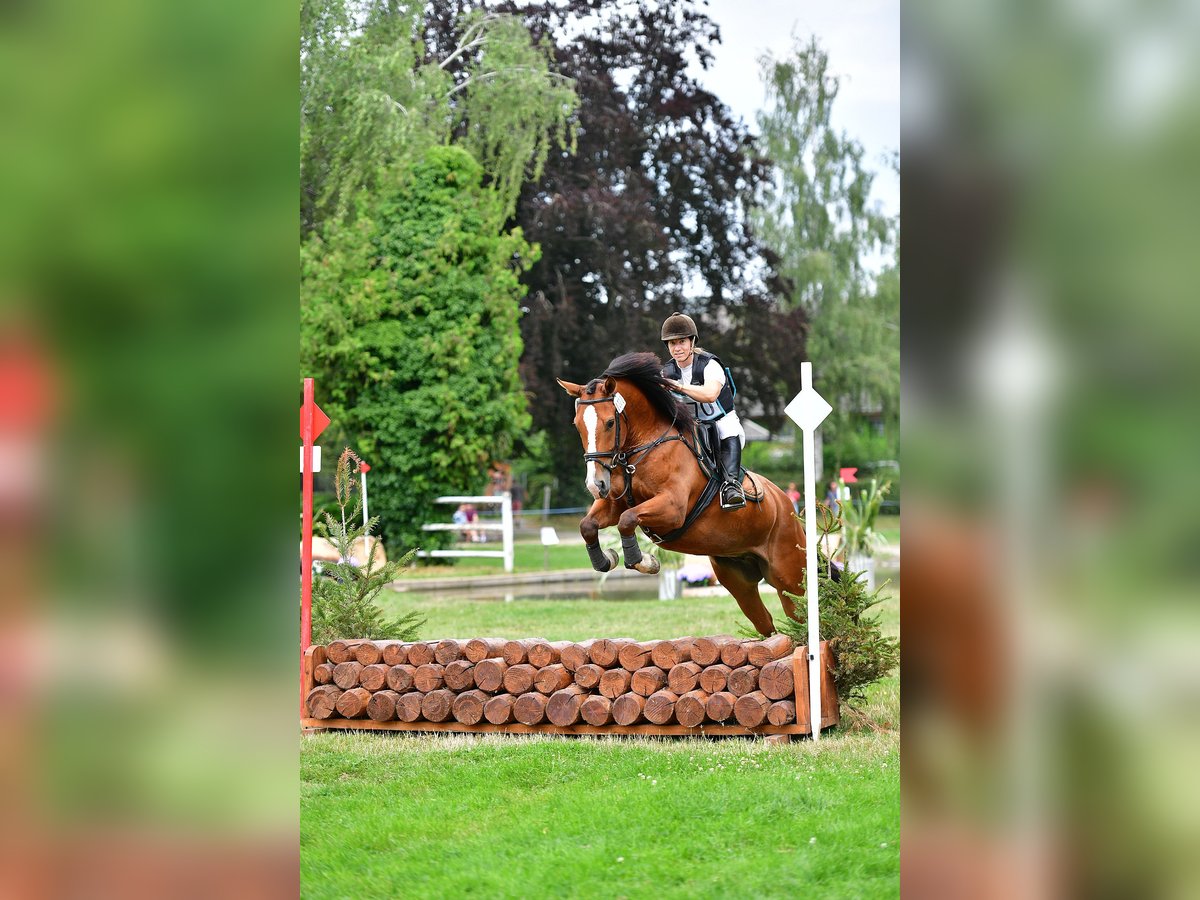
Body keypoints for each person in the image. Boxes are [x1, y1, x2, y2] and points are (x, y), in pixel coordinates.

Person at [659, 311, 746, 509]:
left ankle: (731, 486)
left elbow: (710, 394)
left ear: (692, 342)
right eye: (672, 343)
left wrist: (678, 386)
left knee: (727, 429)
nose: (677, 348)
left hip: (720, 421)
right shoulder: (667, 371)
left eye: (681, 341)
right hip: (691, 425)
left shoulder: (710, 364)